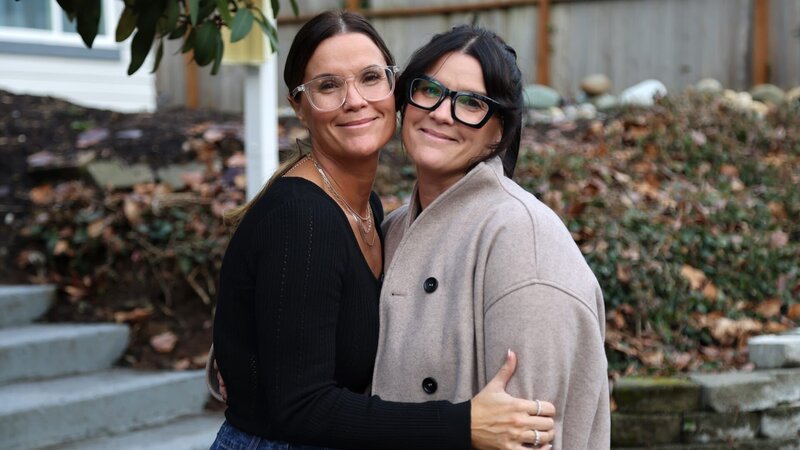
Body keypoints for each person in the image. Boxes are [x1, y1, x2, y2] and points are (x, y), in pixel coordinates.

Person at [209, 10, 555, 450]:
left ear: (394, 88)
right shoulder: (302, 218)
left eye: (370, 78)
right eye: (328, 86)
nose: (355, 100)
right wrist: (463, 425)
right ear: (299, 105)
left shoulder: (367, 209)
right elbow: (300, 407)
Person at [369, 25, 611, 449]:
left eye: (471, 103)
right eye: (429, 90)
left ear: (499, 131)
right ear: (406, 101)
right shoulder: (393, 228)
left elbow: (531, 434)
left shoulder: (523, 241)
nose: (442, 113)